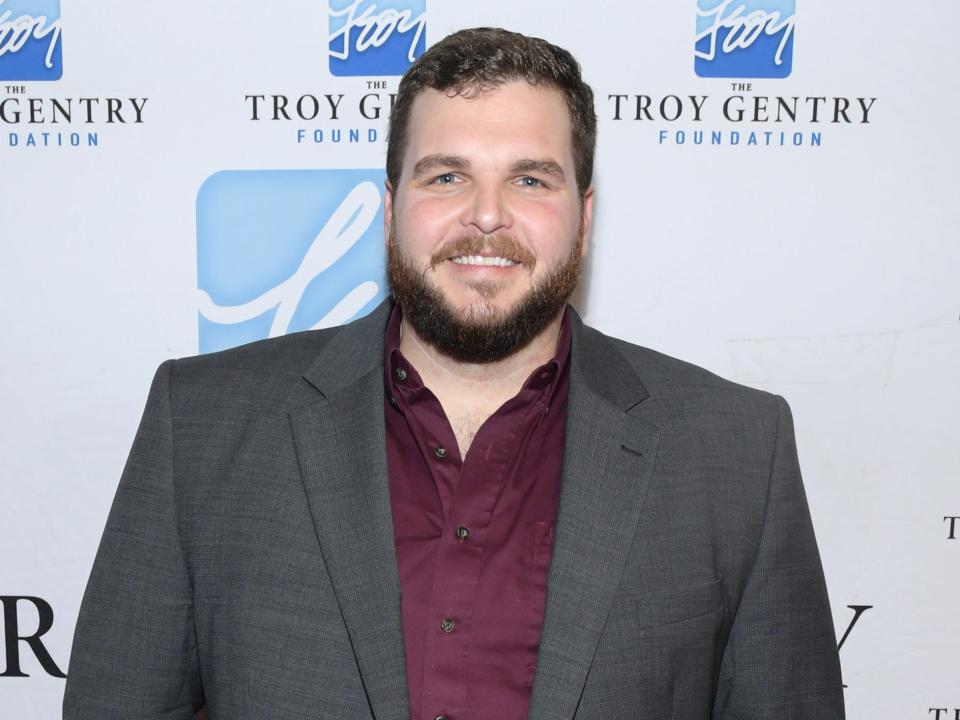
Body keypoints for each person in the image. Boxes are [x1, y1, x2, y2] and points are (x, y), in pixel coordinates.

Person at [63, 27, 845, 720]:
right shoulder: (201, 424)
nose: (486, 215)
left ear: (586, 213)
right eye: (446, 177)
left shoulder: (736, 450)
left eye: (531, 179)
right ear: (388, 206)